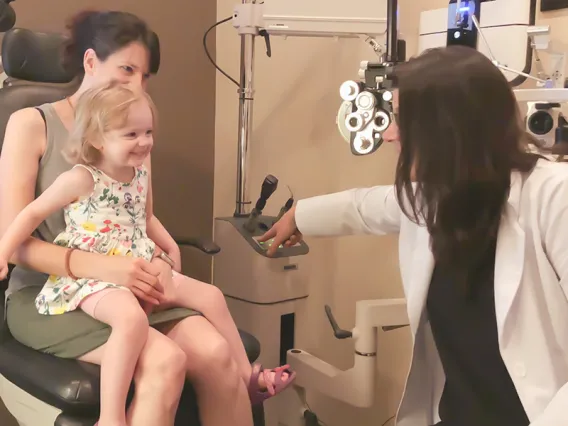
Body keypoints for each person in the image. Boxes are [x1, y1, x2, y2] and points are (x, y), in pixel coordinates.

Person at [0, 10, 288, 426]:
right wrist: (110, 269)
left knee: (217, 355)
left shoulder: (134, 130)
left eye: (146, 75)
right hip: (50, 297)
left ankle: (248, 384)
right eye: (127, 69)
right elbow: (17, 240)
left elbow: (137, 216)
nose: (137, 85)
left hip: (127, 281)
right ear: (90, 62)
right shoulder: (31, 123)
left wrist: (160, 256)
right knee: (165, 362)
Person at [259, 46, 568, 426]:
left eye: (402, 120)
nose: (389, 135)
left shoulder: (555, 197)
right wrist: (298, 214)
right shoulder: (441, 195)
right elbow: (366, 208)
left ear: (448, 130)